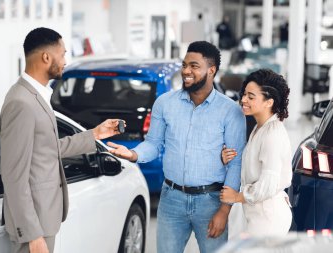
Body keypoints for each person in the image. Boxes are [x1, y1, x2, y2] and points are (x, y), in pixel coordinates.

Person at [107, 41, 246, 253]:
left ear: (212, 70)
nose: (186, 71)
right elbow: (153, 144)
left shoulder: (230, 111)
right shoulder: (164, 103)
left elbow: (235, 164)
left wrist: (224, 211)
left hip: (211, 201)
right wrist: (133, 153)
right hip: (171, 199)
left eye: (194, 66)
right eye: (184, 65)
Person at [0, 27, 122, 253]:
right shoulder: (21, 102)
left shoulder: (35, 96)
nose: (67, 60)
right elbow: (14, 176)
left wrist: (95, 134)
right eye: (63, 54)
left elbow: (46, 149)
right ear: (46, 57)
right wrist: (33, 234)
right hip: (34, 226)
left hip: (44, 219)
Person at [220, 69, 292, 237]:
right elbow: (254, 168)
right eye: (244, 94)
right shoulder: (260, 127)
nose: (243, 100)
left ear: (269, 102)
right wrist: (228, 159)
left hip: (268, 218)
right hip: (259, 214)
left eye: (251, 97)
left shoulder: (272, 134)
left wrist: (237, 197)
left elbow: (268, 183)